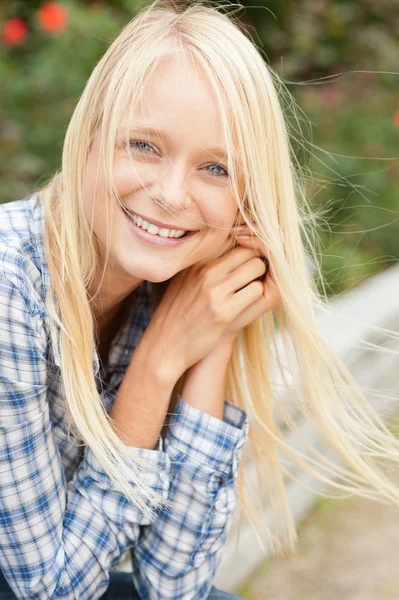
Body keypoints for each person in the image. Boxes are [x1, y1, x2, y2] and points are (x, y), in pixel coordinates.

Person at [1, 0, 399, 598]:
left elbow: (176, 583)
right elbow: (48, 592)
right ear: (89, 136)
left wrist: (212, 336)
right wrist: (156, 366)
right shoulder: (11, 287)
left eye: (216, 167)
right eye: (144, 145)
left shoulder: (166, 288)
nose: (170, 193)